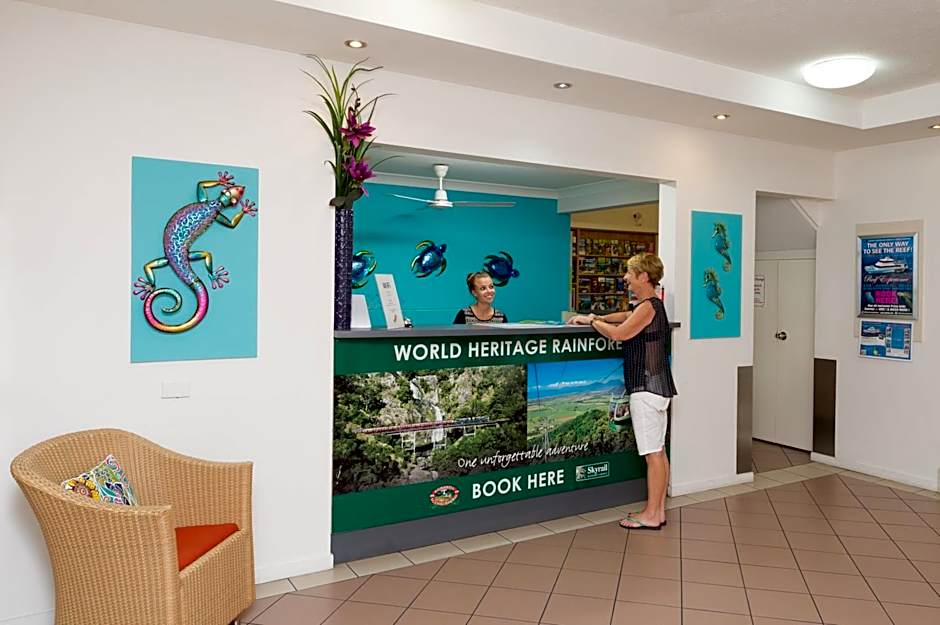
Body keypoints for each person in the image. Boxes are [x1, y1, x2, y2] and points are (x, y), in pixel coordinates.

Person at [567, 252, 677, 530]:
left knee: (653, 455)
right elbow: (627, 316)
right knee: (659, 452)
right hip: (656, 388)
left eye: (630, 272)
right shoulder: (650, 305)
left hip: (646, 388)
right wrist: (598, 316)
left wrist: (592, 322)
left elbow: (619, 334)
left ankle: (651, 514)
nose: (625, 277)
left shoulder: (649, 307)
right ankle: (657, 511)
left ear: (644, 276)